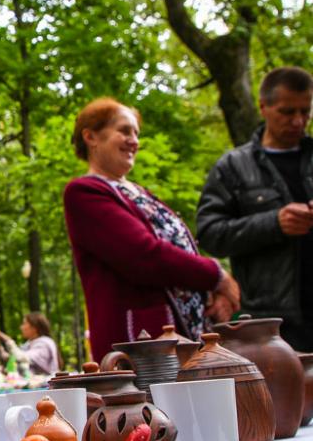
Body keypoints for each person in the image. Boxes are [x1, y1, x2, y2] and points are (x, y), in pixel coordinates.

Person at [63, 98, 240, 362]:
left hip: (186, 339)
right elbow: (144, 256)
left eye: (136, 133)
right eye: (124, 131)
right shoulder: (84, 193)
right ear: (91, 137)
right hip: (142, 347)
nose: (133, 140)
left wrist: (210, 295)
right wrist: (216, 276)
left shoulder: (140, 193)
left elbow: (179, 249)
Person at [197, 67, 313, 352]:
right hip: (274, 326)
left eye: (305, 111)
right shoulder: (233, 167)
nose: (298, 121)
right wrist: (274, 223)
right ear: (264, 106)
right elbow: (210, 234)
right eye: (287, 112)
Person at [0, 312, 61, 376]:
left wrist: (7, 340)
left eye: (24, 324)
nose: (21, 327)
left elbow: (22, 358)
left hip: (47, 386)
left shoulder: (44, 343)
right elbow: (13, 359)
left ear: (34, 328)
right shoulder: (29, 344)